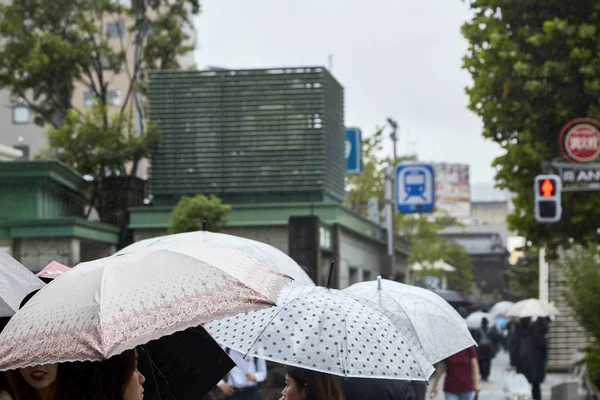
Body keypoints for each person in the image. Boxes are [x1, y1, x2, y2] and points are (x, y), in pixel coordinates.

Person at [509, 317, 548, 400]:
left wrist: (513, 362)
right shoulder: (537, 332)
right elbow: (543, 348)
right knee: (536, 386)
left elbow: (513, 349)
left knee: (522, 385)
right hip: (535, 364)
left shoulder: (517, 332)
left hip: (522, 364)